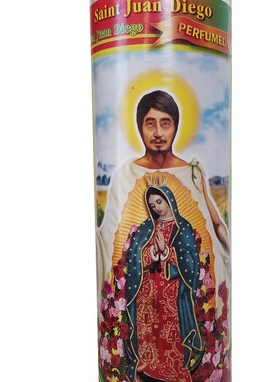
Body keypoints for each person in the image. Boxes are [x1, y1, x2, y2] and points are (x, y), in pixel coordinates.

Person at [96, 90, 230, 310]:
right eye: (150, 124)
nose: (158, 133)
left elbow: (215, 225)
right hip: (146, 288)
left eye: (165, 124)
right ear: (140, 127)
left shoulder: (192, 173)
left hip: (182, 283)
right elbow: (108, 237)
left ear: (175, 127)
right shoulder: (126, 174)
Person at [123, 185, 203, 382]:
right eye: (152, 205)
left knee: (169, 328)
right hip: (147, 289)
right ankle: (148, 363)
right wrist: (151, 252)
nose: (157, 207)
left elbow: (191, 261)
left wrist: (167, 251)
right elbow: (135, 255)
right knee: (148, 328)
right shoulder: (147, 227)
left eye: (159, 202)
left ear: (169, 200)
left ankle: (173, 368)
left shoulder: (182, 227)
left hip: (172, 290)